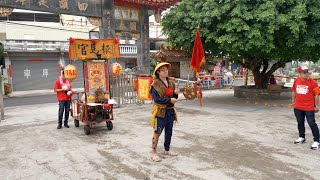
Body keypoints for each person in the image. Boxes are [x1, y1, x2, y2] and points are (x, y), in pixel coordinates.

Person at [150, 62, 180, 162]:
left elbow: (173, 97)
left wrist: (175, 94)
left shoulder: (171, 83)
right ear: (158, 72)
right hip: (160, 111)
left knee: (169, 131)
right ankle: (153, 153)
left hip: (170, 111)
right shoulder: (155, 83)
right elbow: (156, 99)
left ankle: (167, 150)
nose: (165, 71)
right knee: (157, 131)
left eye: (166, 70)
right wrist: (169, 100)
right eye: (163, 70)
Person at [292, 66, 320, 150]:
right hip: (298, 106)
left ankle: (317, 141)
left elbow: (317, 95)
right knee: (300, 122)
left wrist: (316, 106)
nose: (306, 74)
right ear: (299, 73)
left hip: (309, 107)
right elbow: (293, 91)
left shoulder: (313, 82)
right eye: (304, 72)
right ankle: (302, 137)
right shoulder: (296, 80)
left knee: (312, 123)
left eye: (307, 72)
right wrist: (293, 102)